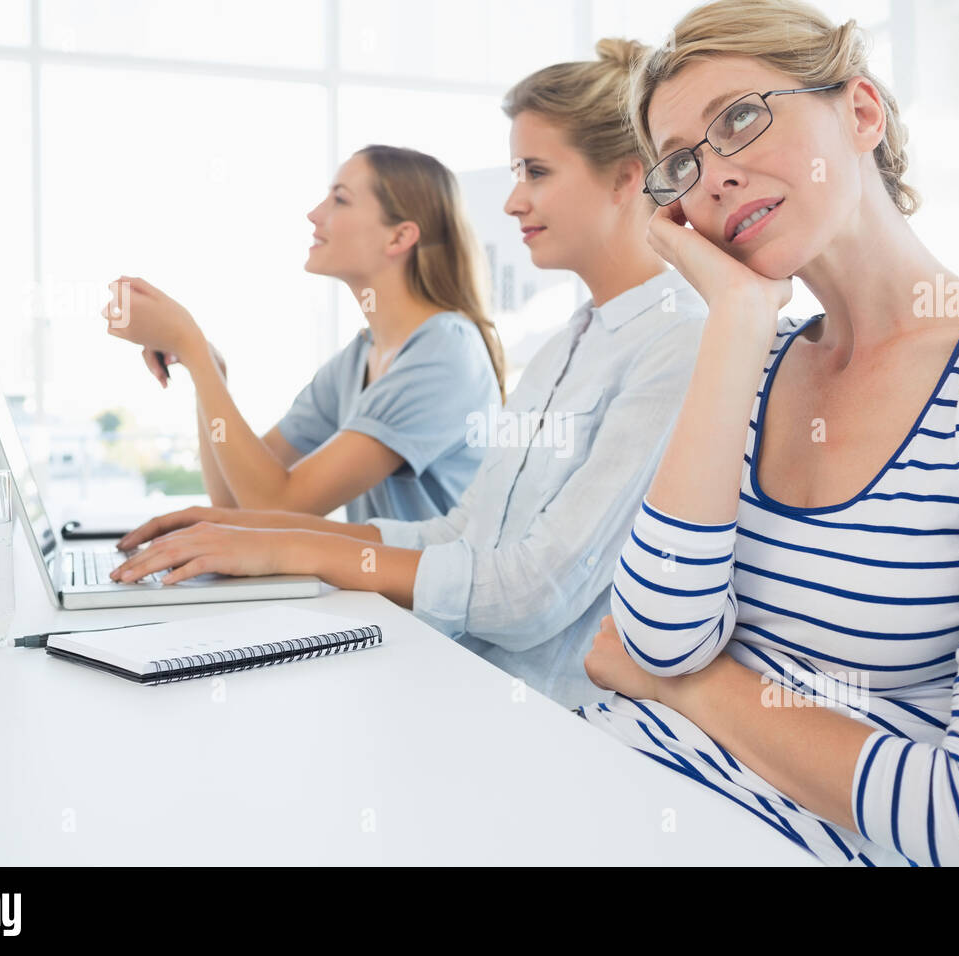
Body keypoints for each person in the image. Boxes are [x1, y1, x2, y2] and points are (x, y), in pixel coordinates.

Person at [579, 0, 959, 867]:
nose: (713, 177)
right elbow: (656, 639)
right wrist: (737, 323)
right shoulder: (752, 357)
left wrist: (698, 690)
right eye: (680, 165)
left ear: (861, 112)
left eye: (741, 118)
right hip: (607, 781)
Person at [106, 39, 709, 709]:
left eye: (536, 172)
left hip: (540, 709)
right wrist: (254, 536)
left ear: (628, 180)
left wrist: (282, 544)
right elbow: (460, 534)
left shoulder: (675, 341)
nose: (512, 202)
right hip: (453, 665)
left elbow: (532, 595)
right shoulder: (571, 342)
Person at [100, 144, 504, 524]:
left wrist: (191, 345)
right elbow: (236, 502)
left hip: (425, 602)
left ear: (399, 237)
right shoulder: (358, 358)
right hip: (373, 601)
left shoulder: (444, 352)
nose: (314, 214)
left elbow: (278, 505)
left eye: (340, 199)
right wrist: (208, 364)